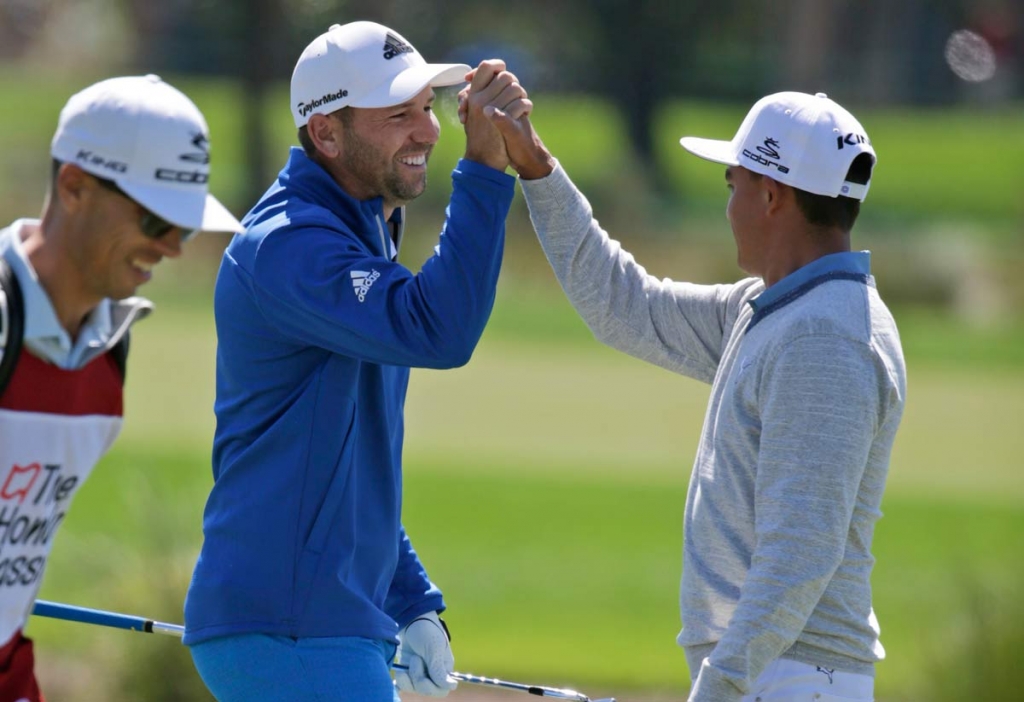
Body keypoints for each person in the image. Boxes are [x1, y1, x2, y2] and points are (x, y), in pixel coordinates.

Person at [479, 90, 907, 701]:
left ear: (770, 195)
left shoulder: (824, 335)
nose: (728, 205)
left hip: (789, 676)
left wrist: (720, 687)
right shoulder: (771, 308)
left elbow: (800, 553)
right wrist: (538, 167)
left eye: (733, 184)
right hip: (771, 672)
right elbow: (625, 305)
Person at [182, 21, 529, 702]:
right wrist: (485, 171)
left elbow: (345, 471)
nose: (428, 131)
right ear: (327, 134)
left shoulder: (360, 229)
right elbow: (441, 331)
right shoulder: (289, 247)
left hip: (316, 627)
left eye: (427, 109)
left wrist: (412, 603)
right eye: (398, 114)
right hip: (286, 629)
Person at [0, 75, 241, 701]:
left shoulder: (111, 352)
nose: (172, 249)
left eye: (185, 229)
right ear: (74, 185)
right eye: (156, 219)